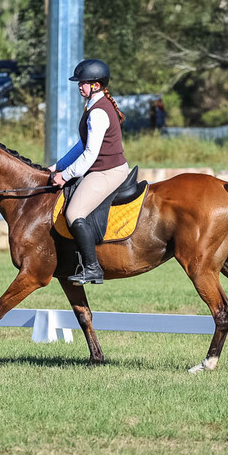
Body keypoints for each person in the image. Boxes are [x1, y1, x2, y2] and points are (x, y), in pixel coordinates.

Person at [48, 59, 129, 285]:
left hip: (107, 171)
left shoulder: (98, 112)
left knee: (74, 213)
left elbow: (90, 155)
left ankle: (93, 268)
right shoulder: (93, 106)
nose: (79, 86)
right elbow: (81, 145)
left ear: (96, 85)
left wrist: (65, 176)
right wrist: (58, 166)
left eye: (83, 82)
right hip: (102, 168)